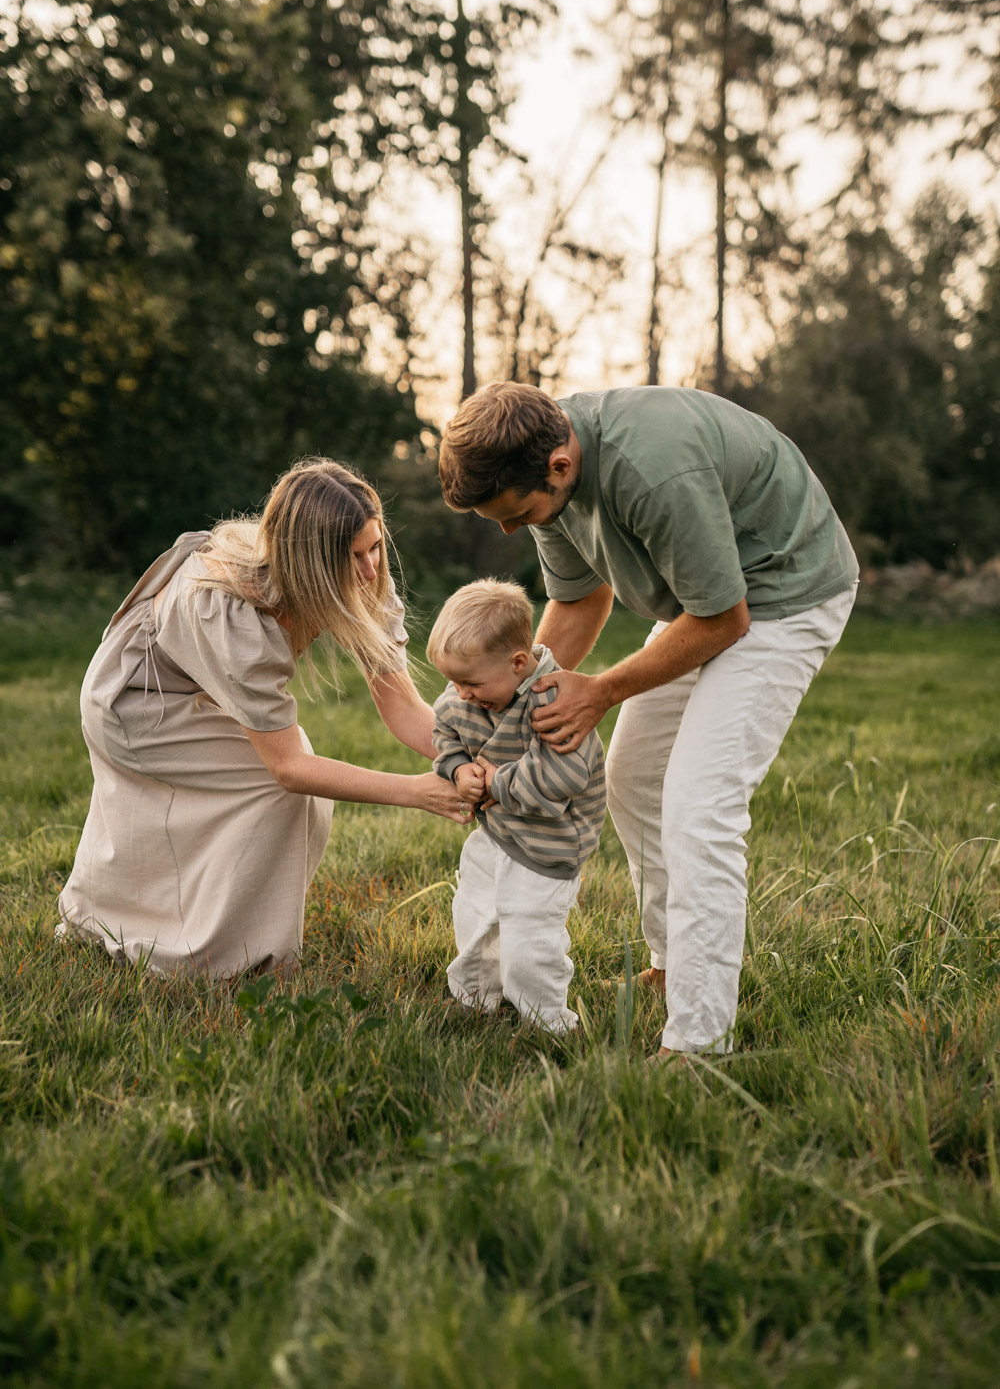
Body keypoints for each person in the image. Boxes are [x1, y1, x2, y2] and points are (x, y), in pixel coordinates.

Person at [437, 383, 859, 1059]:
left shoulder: (651, 468)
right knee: (633, 779)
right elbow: (579, 602)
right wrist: (512, 722)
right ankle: (670, 966)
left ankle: (699, 1040)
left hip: (781, 594)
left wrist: (600, 691)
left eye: (517, 515)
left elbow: (726, 619)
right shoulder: (547, 468)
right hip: (706, 598)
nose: (512, 531)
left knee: (699, 808)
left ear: (561, 467)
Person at [58, 457, 470, 979]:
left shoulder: (365, 574)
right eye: (354, 556)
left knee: (300, 791)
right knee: (286, 789)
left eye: (376, 547)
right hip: (137, 702)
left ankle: (151, 924)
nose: (370, 569)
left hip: (196, 685)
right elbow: (288, 768)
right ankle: (233, 961)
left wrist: (467, 754)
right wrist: (418, 791)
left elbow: (403, 707)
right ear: (311, 561)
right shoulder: (236, 615)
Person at [427, 579, 606, 1033]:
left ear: (518, 663)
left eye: (471, 682)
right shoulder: (465, 694)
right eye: (453, 680)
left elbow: (561, 777)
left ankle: (549, 1022)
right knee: (473, 915)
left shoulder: (554, 702)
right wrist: (456, 769)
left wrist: (496, 782)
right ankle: (477, 999)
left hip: (549, 845)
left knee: (528, 937)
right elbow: (444, 731)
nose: (461, 693)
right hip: (495, 833)